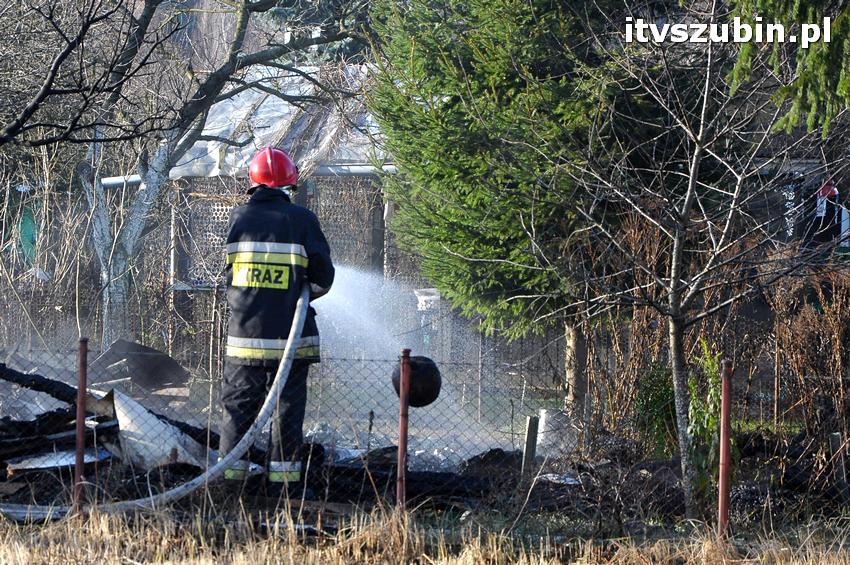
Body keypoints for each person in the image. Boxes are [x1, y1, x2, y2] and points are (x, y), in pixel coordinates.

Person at [219, 147, 334, 486]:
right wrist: (296, 293)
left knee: (237, 411)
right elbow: (323, 279)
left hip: (244, 339)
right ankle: (283, 488)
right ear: (290, 185)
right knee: (286, 413)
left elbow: (231, 276)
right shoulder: (301, 220)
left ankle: (229, 484)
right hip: (290, 340)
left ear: (253, 184)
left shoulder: (237, 219)